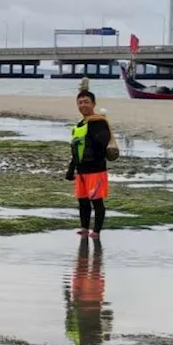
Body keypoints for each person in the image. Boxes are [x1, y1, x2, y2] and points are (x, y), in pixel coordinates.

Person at [65, 88, 111, 238]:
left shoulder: (99, 122)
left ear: (93, 104)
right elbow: (75, 150)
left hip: (96, 168)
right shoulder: (79, 125)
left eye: (86, 102)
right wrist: (71, 169)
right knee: (83, 201)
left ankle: (96, 231)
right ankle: (84, 228)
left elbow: (103, 142)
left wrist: (90, 134)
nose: (83, 105)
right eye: (80, 102)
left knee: (97, 202)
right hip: (81, 169)